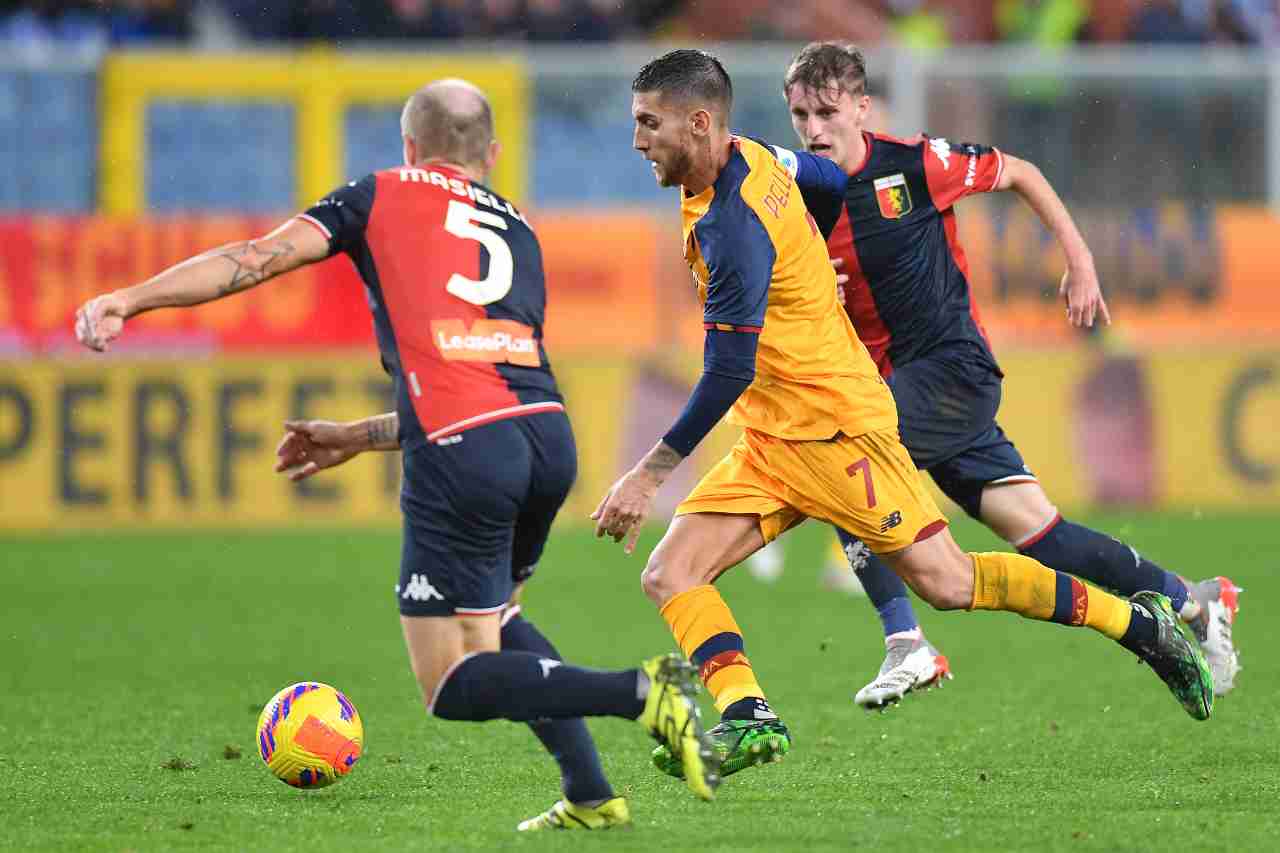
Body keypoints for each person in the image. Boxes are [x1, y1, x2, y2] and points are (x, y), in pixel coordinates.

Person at [73, 77, 719, 829]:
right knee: (500, 616)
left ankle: (642, 693)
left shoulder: (379, 193)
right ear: (492, 153)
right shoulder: (518, 225)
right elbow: (485, 379)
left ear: (411, 146)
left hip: (467, 451)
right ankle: (590, 794)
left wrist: (129, 299)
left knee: (452, 682)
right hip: (547, 438)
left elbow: (257, 258)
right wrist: (359, 436)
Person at [595, 48, 1214, 784]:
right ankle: (748, 714)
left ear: (699, 124)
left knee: (950, 583)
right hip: (773, 437)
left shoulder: (733, 229)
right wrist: (810, 265)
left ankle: (1137, 625)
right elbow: (827, 181)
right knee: (671, 571)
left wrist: (647, 475)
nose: (637, 140)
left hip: (839, 432)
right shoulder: (757, 156)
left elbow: (727, 370)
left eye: (649, 124)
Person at [779, 40, 1241, 708]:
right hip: (902, 392)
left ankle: (904, 640)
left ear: (861, 108)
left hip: (952, 372)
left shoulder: (915, 165)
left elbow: (1020, 171)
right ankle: (1196, 601)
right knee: (1045, 536)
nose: (814, 129)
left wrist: (1080, 261)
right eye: (801, 115)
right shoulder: (797, 200)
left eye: (826, 112)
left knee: (843, 448)